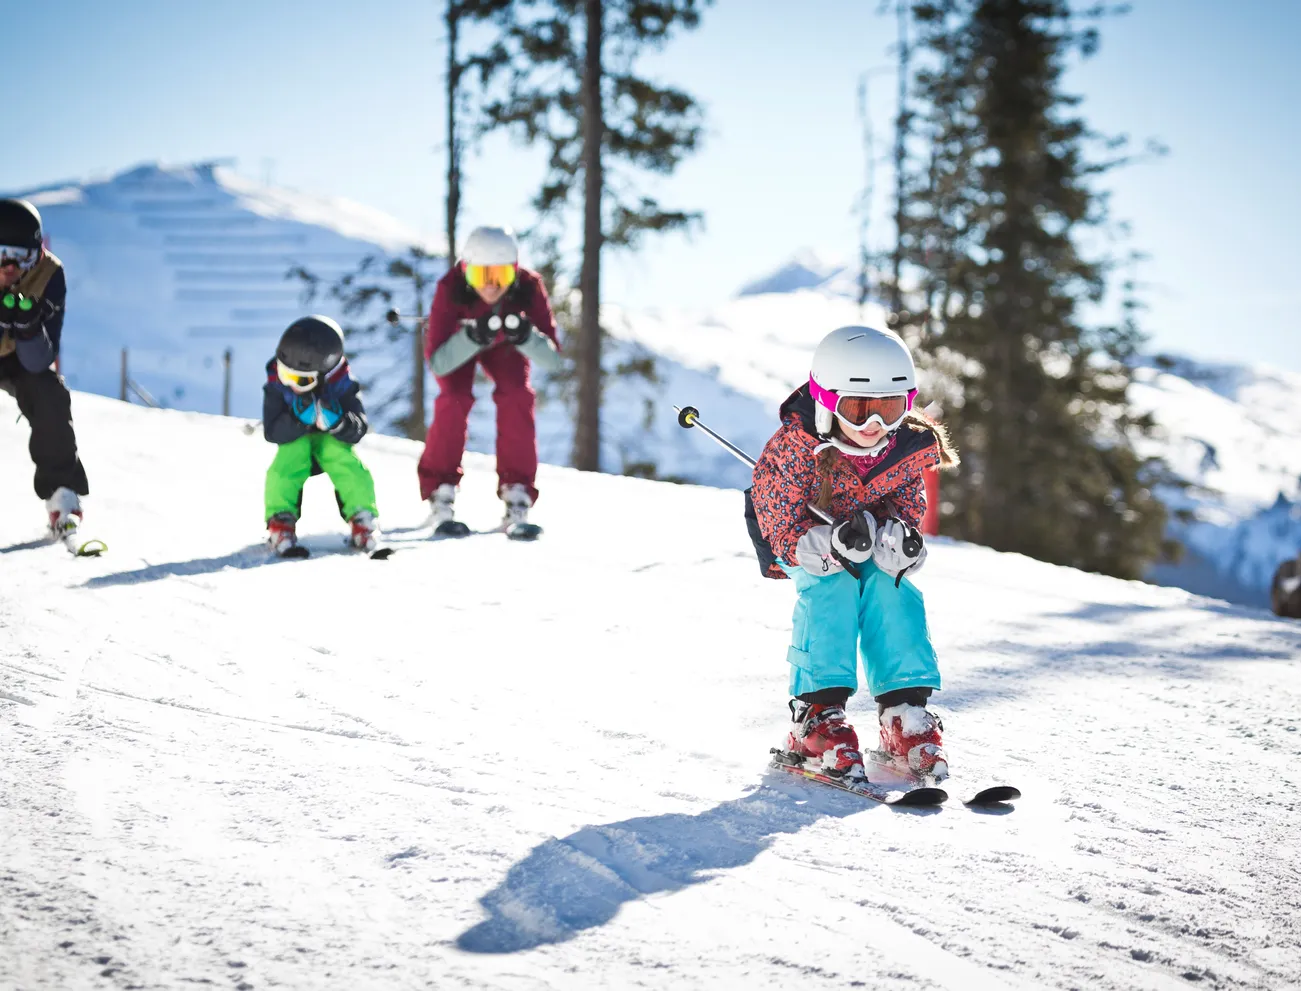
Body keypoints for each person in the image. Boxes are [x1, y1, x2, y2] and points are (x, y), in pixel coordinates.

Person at [749, 325, 959, 783]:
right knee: (834, 587)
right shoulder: (795, 448)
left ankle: (904, 712)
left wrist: (898, 541)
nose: (874, 425)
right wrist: (823, 544)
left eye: (890, 408)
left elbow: (908, 506)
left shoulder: (904, 446)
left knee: (891, 587)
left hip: (866, 540)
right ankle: (816, 716)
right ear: (827, 403)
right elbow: (777, 521)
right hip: (801, 543)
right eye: (859, 410)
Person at [417, 226, 562, 534]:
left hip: (507, 346)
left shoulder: (529, 287)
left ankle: (517, 492)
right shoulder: (450, 287)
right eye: (481, 275)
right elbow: (439, 363)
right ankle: (440, 490)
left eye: (501, 275)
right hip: (460, 343)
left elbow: (552, 358)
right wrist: (473, 336)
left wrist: (525, 335)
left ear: (515, 272)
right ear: (466, 271)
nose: (491, 286)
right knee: (454, 397)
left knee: (517, 395)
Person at [0, 198, 90, 539]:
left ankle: (61, 495)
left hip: (17, 357)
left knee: (49, 395)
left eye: (21, 257)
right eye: (1, 254)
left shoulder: (48, 275)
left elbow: (39, 361)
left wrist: (28, 329)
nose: (10, 268)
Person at [263, 315, 381, 555]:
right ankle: (280, 521)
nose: (290, 383)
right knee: (288, 460)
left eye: (300, 379)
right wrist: (297, 419)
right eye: (285, 374)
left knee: (344, 459)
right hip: (297, 439)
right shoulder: (277, 384)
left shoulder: (342, 385)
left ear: (323, 374)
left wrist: (339, 422)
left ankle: (363, 518)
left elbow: (358, 428)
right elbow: (272, 431)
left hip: (329, 439)